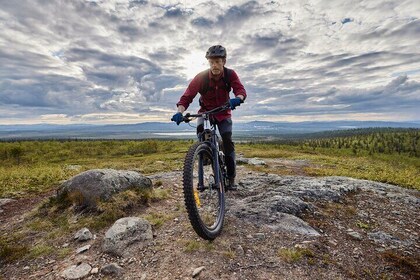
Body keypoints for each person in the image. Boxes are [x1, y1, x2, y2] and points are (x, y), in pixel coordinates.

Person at [171, 45, 247, 189]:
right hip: (205, 112)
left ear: (224, 61)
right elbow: (187, 97)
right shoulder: (201, 77)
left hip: (223, 112)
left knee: (227, 140)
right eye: (211, 62)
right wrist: (179, 112)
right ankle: (205, 152)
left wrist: (238, 98)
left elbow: (240, 90)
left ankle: (231, 178)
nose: (214, 65)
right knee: (201, 133)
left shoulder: (230, 75)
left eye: (217, 61)